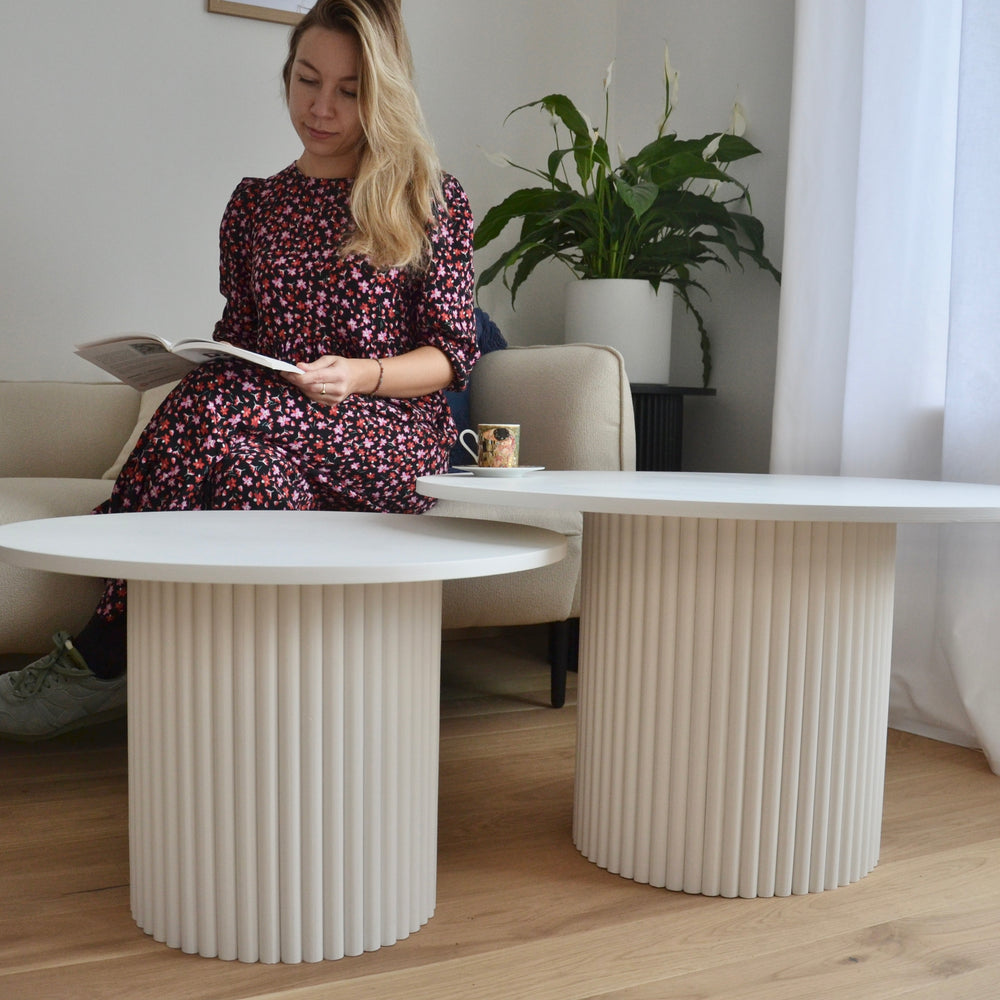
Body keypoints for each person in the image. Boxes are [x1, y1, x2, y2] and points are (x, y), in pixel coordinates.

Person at [0, 0, 478, 741]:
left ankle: (101, 650)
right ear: (286, 74)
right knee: (254, 479)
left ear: (380, 93)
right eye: (306, 79)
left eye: (348, 91)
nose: (320, 107)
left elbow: (449, 358)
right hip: (273, 430)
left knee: (219, 402)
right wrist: (188, 360)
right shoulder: (254, 206)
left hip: (386, 433)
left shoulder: (428, 199)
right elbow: (242, 341)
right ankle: (230, 715)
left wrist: (360, 374)